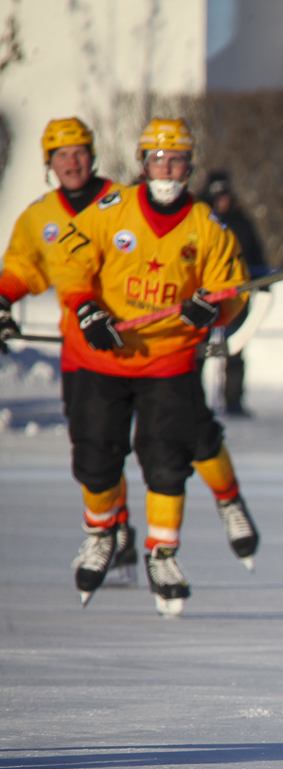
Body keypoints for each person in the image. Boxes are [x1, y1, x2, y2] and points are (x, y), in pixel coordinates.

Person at [52, 117, 261, 616]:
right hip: (100, 357)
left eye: (177, 161)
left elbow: (231, 292)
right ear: (143, 164)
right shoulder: (110, 209)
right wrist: (86, 309)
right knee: (96, 457)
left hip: (167, 361)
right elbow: (71, 264)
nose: (167, 169)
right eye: (158, 160)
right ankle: (101, 534)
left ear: (190, 166)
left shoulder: (207, 227)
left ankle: (162, 555)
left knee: (168, 460)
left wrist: (213, 308)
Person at [0, 118, 142, 586]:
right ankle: (115, 524)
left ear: (92, 154)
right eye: (61, 155)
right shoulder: (40, 217)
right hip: (82, 352)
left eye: (79, 151)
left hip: (138, 346)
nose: (72, 162)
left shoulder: (123, 203)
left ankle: (125, 531)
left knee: (148, 445)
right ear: (49, 163)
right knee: (92, 449)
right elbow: (21, 269)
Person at [198, 170, 266, 416]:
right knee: (199, 350)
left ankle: (233, 400)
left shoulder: (241, 222)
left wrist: (264, 283)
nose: (222, 201)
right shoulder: (198, 220)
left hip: (236, 296)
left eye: (225, 195)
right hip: (204, 296)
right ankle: (194, 399)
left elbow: (256, 255)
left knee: (234, 349)